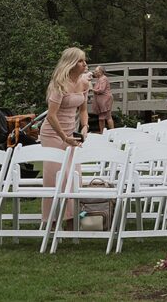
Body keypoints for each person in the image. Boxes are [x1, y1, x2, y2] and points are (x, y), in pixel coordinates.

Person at [39, 47, 90, 224]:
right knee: (55, 177)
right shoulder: (59, 84)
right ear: (71, 63)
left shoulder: (84, 83)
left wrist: (85, 126)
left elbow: (83, 109)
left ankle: (72, 217)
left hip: (70, 133)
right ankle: (51, 220)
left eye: (84, 60)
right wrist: (63, 137)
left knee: (74, 174)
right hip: (53, 133)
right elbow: (51, 115)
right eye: (81, 61)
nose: (85, 64)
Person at [90, 66, 114, 133]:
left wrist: (92, 89)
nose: (94, 72)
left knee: (106, 117)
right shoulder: (99, 79)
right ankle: (103, 132)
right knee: (102, 117)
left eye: (96, 71)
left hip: (105, 100)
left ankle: (111, 132)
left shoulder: (103, 79)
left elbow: (101, 90)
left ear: (100, 72)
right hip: (101, 101)